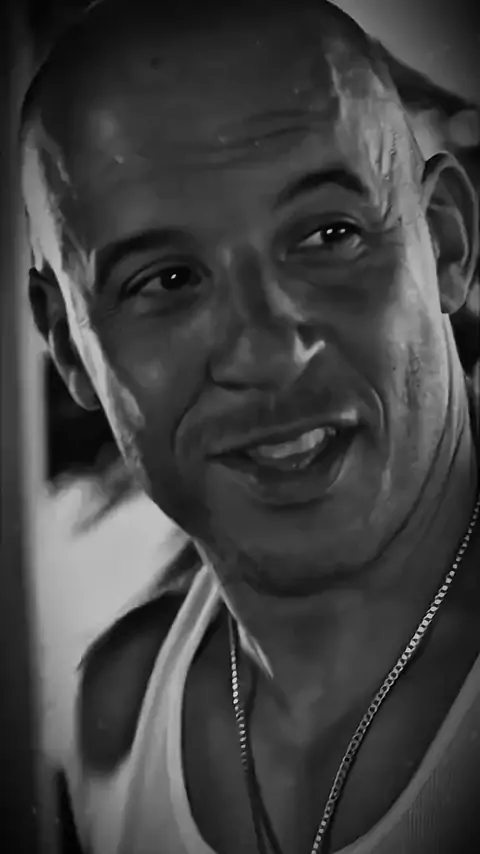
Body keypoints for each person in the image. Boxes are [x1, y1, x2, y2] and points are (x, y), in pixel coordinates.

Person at [20, 1, 480, 852]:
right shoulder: (111, 722)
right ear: (70, 347)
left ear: (446, 243)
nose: (268, 353)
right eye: (166, 281)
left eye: (330, 234)